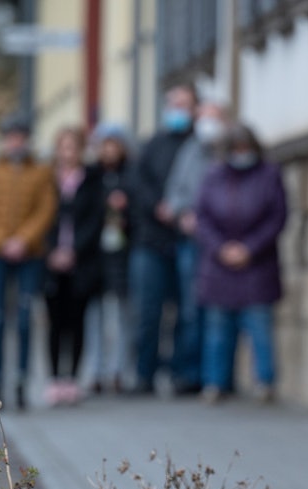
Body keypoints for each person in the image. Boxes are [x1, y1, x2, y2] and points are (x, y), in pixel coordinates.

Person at [195, 123, 288, 404]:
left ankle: (265, 382)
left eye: (244, 149)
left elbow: (277, 216)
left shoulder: (269, 175)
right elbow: (202, 217)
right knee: (217, 330)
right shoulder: (214, 176)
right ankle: (216, 382)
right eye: (235, 150)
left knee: (260, 326)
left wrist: (250, 248)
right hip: (219, 264)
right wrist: (220, 248)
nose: (240, 154)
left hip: (257, 264)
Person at [0, 113, 57, 410]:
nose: (15, 142)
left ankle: (21, 380)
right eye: (11, 137)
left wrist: (23, 239)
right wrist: (3, 240)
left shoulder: (41, 170)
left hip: (29, 254)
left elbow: (46, 209)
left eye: (20, 137)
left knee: (23, 318)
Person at [127, 82, 198, 395]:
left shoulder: (199, 145)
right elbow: (138, 184)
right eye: (173, 103)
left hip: (185, 238)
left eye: (183, 104)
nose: (177, 110)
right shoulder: (153, 144)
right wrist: (158, 206)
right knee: (148, 311)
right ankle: (145, 374)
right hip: (151, 240)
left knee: (187, 311)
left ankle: (183, 375)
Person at [161, 97, 230, 394]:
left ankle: (218, 376)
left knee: (221, 311)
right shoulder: (189, 152)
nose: (207, 122)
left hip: (222, 243)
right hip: (192, 242)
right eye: (203, 116)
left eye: (213, 116)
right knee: (191, 310)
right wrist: (182, 213)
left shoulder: (231, 152)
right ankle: (190, 374)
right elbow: (174, 193)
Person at [43, 126, 104, 406]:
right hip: (51, 262)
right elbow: (42, 218)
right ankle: (54, 378)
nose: (68, 153)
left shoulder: (92, 180)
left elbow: (95, 219)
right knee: (55, 322)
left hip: (82, 261)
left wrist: (74, 250)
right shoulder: (46, 180)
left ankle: (72, 380)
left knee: (78, 321)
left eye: (73, 147)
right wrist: (51, 251)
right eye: (63, 147)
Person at [84, 122, 132, 394]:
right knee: (95, 315)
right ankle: (96, 370)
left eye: (114, 145)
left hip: (122, 254)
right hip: (95, 255)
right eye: (105, 145)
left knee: (123, 314)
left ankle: (119, 370)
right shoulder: (91, 176)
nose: (109, 150)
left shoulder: (131, 175)